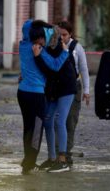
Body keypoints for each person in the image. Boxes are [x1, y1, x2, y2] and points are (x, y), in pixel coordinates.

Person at [17, 19, 69, 175]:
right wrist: (65, 52)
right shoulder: (39, 49)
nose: (45, 40)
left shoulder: (23, 45)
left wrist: (42, 24)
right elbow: (55, 66)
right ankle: (30, 163)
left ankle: (27, 159)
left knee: (28, 128)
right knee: (36, 131)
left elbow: (26, 24)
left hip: (22, 92)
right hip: (36, 94)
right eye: (43, 37)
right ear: (38, 38)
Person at [32, 22, 77, 173]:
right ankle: (52, 158)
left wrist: (39, 57)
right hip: (53, 89)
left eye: (40, 40)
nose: (38, 44)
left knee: (59, 120)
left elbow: (55, 67)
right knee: (47, 121)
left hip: (67, 86)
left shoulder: (58, 46)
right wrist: (38, 58)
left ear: (44, 37)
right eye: (36, 41)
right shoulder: (44, 48)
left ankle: (63, 160)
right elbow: (47, 70)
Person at [57, 21, 90, 165]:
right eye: (59, 35)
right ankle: (57, 152)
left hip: (74, 87)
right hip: (58, 87)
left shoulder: (77, 48)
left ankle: (67, 153)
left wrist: (87, 91)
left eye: (64, 35)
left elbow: (84, 69)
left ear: (70, 34)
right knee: (57, 121)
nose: (61, 38)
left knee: (70, 121)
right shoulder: (54, 46)